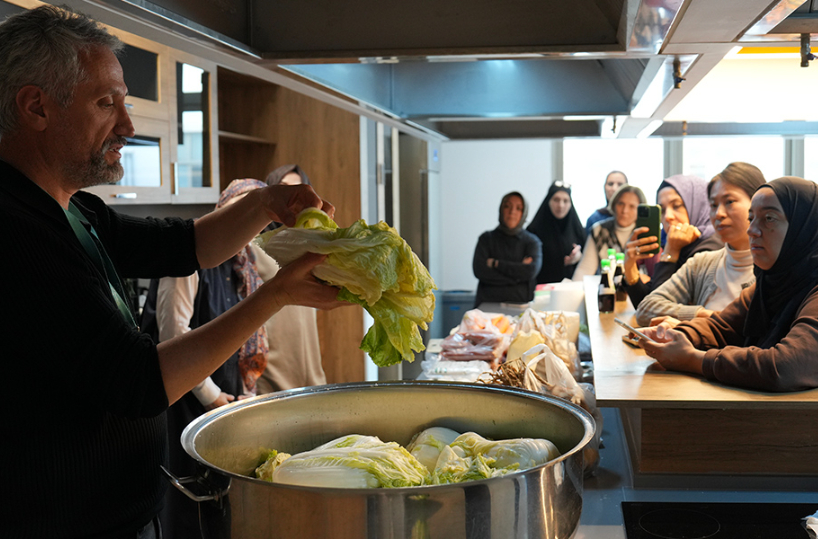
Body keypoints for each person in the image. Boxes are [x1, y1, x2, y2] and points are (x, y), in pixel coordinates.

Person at [0, 7, 346, 538]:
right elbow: (137, 381)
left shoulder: (73, 209)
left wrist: (266, 204)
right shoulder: (16, 231)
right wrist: (274, 295)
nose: (127, 126)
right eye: (106, 103)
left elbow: (186, 245)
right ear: (36, 107)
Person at [150, 179, 268, 539]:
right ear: (223, 210)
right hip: (184, 403)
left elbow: (246, 339)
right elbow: (173, 335)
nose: (248, 226)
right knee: (185, 510)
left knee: (218, 507)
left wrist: (242, 395)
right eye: (241, 213)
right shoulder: (187, 259)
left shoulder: (244, 265)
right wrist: (212, 397)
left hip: (222, 405)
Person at [637, 177, 818, 392]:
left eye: (769, 218)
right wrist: (677, 335)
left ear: (805, 227)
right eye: (751, 218)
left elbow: (785, 367)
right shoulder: (769, 283)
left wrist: (694, 359)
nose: (752, 229)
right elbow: (722, 326)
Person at [634, 163, 765, 326]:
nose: (719, 213)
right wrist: (703, 315)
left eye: (729, 201)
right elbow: (645, 309)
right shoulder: (702, 263)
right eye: (713, 205)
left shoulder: (777, 268)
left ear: (759, 203)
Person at [255, 164, 326, 393]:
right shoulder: (255, 244)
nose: (292, 199)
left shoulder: (311, 242)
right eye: (284, 189)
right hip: (272, 362)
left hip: (308, 356)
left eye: (299, 190)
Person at [621, 174, 723, 307]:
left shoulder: (710, 248)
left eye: (676, 206)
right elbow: (645, 305)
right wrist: (630, 268)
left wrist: (670, 253)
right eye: (662, 210)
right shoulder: (677, 243)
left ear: (699, 205)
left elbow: (658, 307)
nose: (668, 216)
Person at [473, 191, 542, 307]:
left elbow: (530, 271)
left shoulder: (532, 242)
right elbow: (480, 271)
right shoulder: (486, 239)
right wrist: (518, 275)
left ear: (524, 213)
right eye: (507, 206)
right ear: (501, 209)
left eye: (518, 208)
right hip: (487, 306)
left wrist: (496, 264)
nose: (512, 212)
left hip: (521, 306)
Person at [572, 184, 646, 280]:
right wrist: (573, 287)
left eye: (632, 206)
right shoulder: (599, 230)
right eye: (621, 204)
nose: (625, 210)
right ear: (613, 205)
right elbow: (585, 269)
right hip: (607, 286)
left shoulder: (644, 232)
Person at [527, 181, 586, 284]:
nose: (561, 205)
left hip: (571, 288)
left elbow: (588, 263)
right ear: (548, 201)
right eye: (556, 200)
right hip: (541, 288)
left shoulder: (578, 230)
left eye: (565, 201)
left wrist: (579, 257)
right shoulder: (534, 230)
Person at [584, 170, 628, 235]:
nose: (614, 188)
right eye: (610, 184)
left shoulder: (636, 217)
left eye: (620, 184)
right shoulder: (594, 219)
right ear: (604, 187)